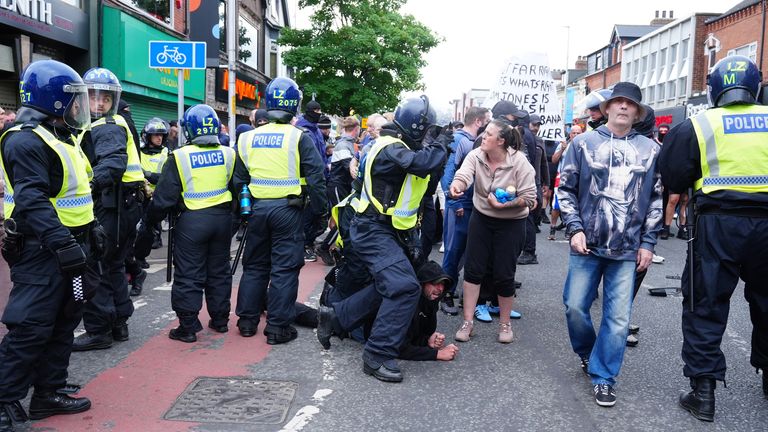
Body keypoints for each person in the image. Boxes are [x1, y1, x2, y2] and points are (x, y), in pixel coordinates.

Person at [659, 55, 768, 422]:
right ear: (755, 87)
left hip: (717, 225)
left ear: (715, 89)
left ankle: (703, 394)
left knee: (705, 304)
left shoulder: (698, 124)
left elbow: (673, 176)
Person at [317, 95, 449, 383]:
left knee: (390, 284)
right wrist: (440, 143)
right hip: (371, 230)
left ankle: (337, 317)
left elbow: (423, 190)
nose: (429, 137)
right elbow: (421, 163)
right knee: (404, 287)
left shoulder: (405, 148)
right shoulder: (390, 148)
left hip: (391, 231)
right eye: (427, 131)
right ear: (416, 128)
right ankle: (376, 354)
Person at [0, 59, 98, 431]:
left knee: (64, 321)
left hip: (71, 249)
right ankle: (4, 398)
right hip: (43, 252)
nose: (79, 108)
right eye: (74, 101)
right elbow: (33, 200)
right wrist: (63, 244)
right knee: (30, 327)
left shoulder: (62, 137)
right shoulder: (25, 140)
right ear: (53, 102)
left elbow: (75, 192)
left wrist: (92, 231)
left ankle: (48, 392)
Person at [558, 81, 662, 408]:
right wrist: (574, 228)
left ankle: (604, 376)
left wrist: (648, 242)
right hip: (586, 245)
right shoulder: (583, 143)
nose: (622, 107)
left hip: (627, 249)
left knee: (618, 320)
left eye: (629, 104)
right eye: (617, 102)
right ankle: (589, 353)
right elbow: (566, 189)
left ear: (636, 112)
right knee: (575, 307)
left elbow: (657, 198)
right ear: (607, 109)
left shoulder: (651, 150)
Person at [234, 77, 327, 344]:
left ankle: (247, 322)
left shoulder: (247, 138)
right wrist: (320, 212)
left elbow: (240, 181)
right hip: (288, 210)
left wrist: (245, 210)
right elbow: (317, 178)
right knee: (284, 270)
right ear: (295, 105)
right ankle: (277, 328)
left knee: (254, 267)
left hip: (257, 211)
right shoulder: (300, 137)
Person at [142, 105, 236, 342]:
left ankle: (188, 326)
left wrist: (149, 222)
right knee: (219, 272)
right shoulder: (229, 153)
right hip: (222, 219)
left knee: (189, 274)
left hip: (192, 221)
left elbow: (163, 199)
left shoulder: (180, 156)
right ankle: (220, 320)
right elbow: (238, 187)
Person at [73, 67, 145, 351]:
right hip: (124, 206)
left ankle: (99, 330)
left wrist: (88, 184)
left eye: (105, 98)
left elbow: (113, 164)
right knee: (114, 266)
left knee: (95, 267)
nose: (99, 103)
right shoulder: (114, 122)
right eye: (94, 97)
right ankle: (119, 324)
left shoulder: (105, 126)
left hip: (111, 206)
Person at [449, 119, 537, 344]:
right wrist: (457, 186)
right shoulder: (476, 155)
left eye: (488, 134)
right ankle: (468, 322)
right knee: (473, 270)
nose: (483, 136)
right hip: (481, 218)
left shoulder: (520, 162)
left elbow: (530, 199)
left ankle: (505, 324)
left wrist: (505, 205)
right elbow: (464, 175)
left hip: (512, 223)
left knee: (504, 274)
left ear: (501, 141)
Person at [318, 260, 459, 362]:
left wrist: (428, 340)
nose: (440, 289)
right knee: (327, 320)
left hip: (372, 323)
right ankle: (329, 297)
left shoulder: (430, 302)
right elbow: (397, 347)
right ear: (423, 283)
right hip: (361, 327)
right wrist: (436, 355)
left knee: (325, 318)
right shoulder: (409, 301)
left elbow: (413, 335)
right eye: (435, 283)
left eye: (443, 285)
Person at [439, 106, 491, 315]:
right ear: (478, 121)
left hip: (472, 204)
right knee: (454, 251)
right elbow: (448, 174)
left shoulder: (472, 141)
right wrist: (454, 202)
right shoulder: (460, 140)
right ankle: (445, 294)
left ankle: (460, 294)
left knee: (468, 253)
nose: (489, 125)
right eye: (487, 121)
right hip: (461, 204)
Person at [518, 113, 550, 265]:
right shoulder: (521, 139)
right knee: (525, 218)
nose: (536, 127)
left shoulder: (539, 141)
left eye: (538, 125)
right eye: (533, 124)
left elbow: (544, 163)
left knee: (529, 219)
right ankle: (524, 249)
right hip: (523, 184)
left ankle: (529, 252)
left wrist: (546, 182)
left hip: (534, 184)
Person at [548, 125, 583, 240]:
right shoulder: (563, 145)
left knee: (576, 205)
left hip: (579, 180)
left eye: (578, 133)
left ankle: (571, 229)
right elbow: (553, 160)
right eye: (574, 133)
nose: (576, 135)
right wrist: (562, 149)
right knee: (557, 205)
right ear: (570, 134)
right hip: (562, 178)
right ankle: (552, 229)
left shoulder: (586, 146)